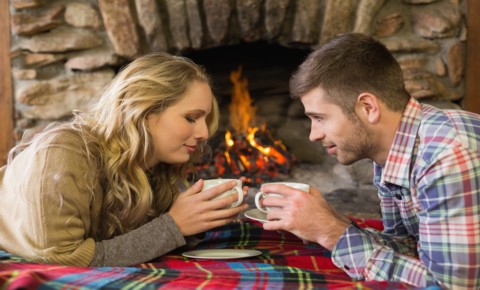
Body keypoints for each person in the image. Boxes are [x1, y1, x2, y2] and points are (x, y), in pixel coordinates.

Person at [258, 33, 480, 289]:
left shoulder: (446, 156)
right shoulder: (392, 148)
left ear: (368, 107)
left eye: (320, 118)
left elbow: (450, 286)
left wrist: (331, 233)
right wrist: (331, 222)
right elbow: (411, 247)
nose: (313, 134)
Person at [0, 52, 248, 267]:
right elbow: (64, 258)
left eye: (205, 119)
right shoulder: (63, 154)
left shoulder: (155, 163)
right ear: (143, 113)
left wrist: (199, 220)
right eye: (191, 118)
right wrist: (174, 226)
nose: (204, 133)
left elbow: (134, 239)